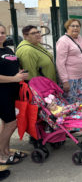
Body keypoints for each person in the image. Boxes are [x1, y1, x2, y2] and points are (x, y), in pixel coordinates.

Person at [0, 23, 29, 167]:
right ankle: (0, 154)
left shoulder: (7, 49)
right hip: (2, 93)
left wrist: (20, 74)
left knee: (6, 123)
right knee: (12, 124)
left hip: (12, 91)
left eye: (3, 32)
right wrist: (14, 78)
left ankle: (6, 151)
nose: (1, 35)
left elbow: (12, 66)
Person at [56, 19, 82, 105]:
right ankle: (71, 118)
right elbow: (60, 63)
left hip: (81, 77)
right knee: (70, 102)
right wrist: (65, 81)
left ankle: (79, 117)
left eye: (77, 26)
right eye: (72, 26)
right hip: (70, 79)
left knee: (80, 100)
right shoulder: (63, 41)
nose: (75, 28)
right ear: (67, 28)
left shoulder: (80, 38)